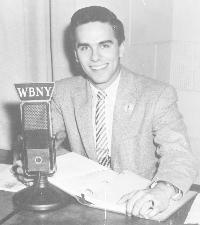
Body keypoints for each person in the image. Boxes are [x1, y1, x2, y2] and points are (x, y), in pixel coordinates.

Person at [15, 6, 198, 219]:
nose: (95, 57)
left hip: (137, 208)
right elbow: (44, 142)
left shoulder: (157, 95)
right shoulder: (62, 92)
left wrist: (162, 190)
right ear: (75, 54)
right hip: (82, 209)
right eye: (85, 48)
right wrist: (33, 164)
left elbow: (179, 154)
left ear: (121, 48)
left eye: (104, 45)